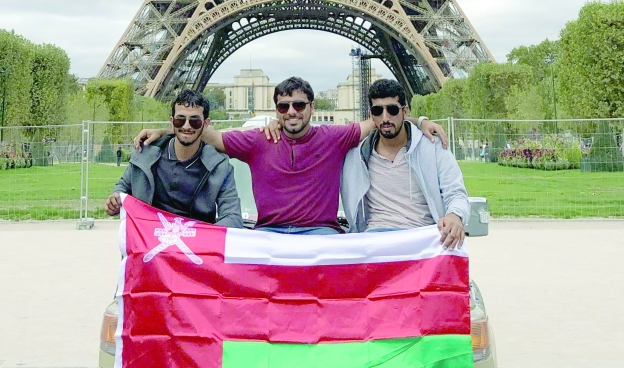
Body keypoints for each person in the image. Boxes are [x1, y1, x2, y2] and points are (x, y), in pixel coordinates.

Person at [134, 75, 448, 235]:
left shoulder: (334, 137)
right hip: (269, 234)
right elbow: (201, 130)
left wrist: (418, 120)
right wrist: (165, 131)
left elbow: (384, 118)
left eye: (299, 105)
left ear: (312, 107)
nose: (291, 112)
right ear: (277, 109)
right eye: (284, 106)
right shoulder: (258, 140)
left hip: (319, 234)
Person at [341, 78, 469, 250]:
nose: (385, 117)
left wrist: (455, 215)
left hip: (422, 239)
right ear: (371, 115)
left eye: (392, 110)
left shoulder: (433, 146)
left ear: (405, 111)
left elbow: (456, 192)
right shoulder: (355, 154)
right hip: (375, 239)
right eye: (378, 111)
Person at [105, 90, 243, 227]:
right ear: (172, 121)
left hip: (195, 244)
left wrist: (206, 237)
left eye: (194, 121)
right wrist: (115, 198)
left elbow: (232, 217)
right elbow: (123, 186)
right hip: (149, 240)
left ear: (206, 124)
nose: (186, 126)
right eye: (180, 120)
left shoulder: (220, 166)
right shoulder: (146, 152)